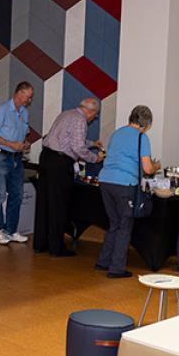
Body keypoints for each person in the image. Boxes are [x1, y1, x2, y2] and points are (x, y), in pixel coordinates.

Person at [95, 105, 160, 279]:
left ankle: (103, 261)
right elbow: (147, 168)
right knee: (124, 226)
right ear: (145, 124)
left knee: (114, 223)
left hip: (105, 181)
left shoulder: (117, 133)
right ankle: (116, 268)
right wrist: (156, 166)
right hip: (124, 184)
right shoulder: (141, 137)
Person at [34, 97, 101, 257]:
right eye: (95, 115)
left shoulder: (67, 114)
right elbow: (77, 147)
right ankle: (56, 248)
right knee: (58, 205)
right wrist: (95, 158)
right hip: (60, 163)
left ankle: (40, 243)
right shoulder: (80, 120)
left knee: (45, 203)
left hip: (46, 158)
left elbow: (70, 139)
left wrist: (92, 143)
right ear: (91, 111)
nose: (93, 118)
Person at [0, 81, 35, 245]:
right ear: (19, 94)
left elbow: (22, 135)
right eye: (28, 97)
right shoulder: (3, 110)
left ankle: (11, 230)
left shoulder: (25, 113)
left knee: (17, 195)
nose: (29, 100)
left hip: (17, 159)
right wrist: (10, 144)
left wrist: (24, 143)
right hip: (0, 157)